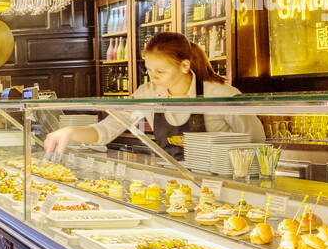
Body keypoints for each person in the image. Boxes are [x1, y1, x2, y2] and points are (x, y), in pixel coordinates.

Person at [43, 32, 265, 159]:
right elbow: (105, 131)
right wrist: (69, 132)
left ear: (185, 65)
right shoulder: (147, 94)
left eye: (160, 71)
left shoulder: (219, 94)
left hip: (220, 183)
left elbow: (257, 142)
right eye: (148, 70)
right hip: (172, 180)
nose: (153, 77)